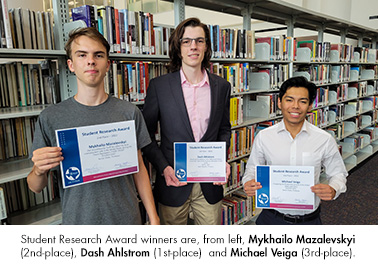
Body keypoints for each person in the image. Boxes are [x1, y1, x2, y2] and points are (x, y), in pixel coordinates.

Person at [27, 27, 159, 225]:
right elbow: (35, 187)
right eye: (82, 55)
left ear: (107, 64)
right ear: (71, 65)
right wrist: (39, 170)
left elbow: (139, 169)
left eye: (98, 55)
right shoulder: (50, 118)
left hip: (127, 221)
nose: (91, 61)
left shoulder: (129, 112)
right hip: (79, 224)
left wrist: (154, 217)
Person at [142, 17, 231, 225]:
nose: (193, 46)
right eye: (186, 41)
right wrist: (163, 167)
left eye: (199, 41)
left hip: (209, 183)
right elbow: (145, 134)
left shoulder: (222, 87)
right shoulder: (159, 87)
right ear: (178, 47)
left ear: (206, 46)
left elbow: (224, 129)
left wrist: (222, 160)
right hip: (173, 181)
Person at [243, 76, 348, 225]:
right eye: (289, 100)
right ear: (279, 103)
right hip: (271, 218)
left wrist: (334, 188)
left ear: (310, 106)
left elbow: (338, 173)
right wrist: (248, 182)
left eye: (303, 101)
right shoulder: (264, 136)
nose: (295, 106)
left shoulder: (324, 139)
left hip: (309, 220)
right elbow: (252, 170)